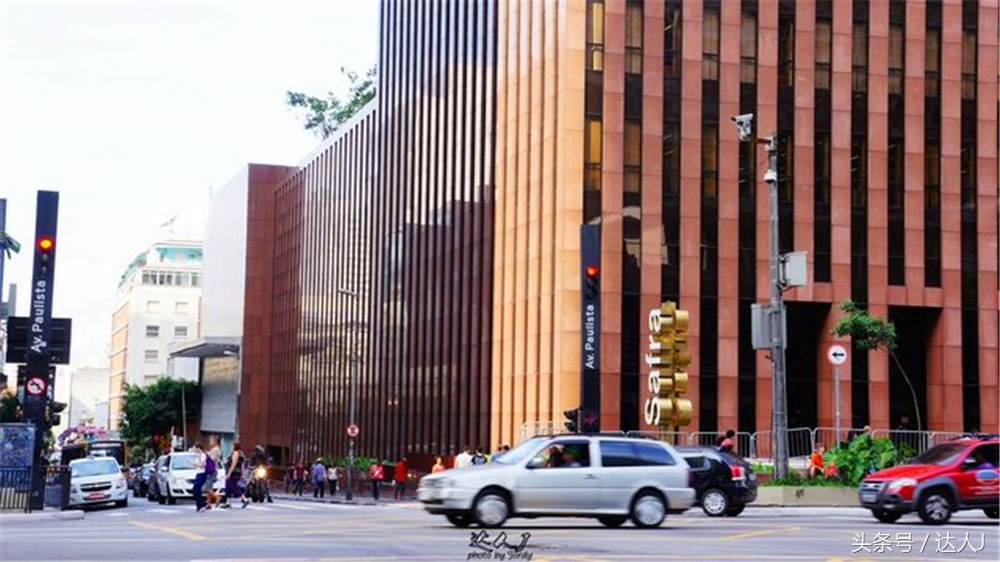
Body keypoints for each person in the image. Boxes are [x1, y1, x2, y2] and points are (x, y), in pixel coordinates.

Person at [223, 442, 246, 509]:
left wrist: (229, 473)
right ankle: (228, 502)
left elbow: (234, 464)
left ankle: (244, 499)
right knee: (228, 487)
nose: (231, 447)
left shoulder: (236, 453)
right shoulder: (241, 454)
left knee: (233, 487)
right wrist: (243, 473)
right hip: (236, 472)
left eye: (232, 446)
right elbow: (242, 465)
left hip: (233, 473)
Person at [205, 436, 223, 508]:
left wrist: (205, 452)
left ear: (215, 442)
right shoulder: (213, 449)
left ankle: (217, 497)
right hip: (211, 470)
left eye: (211, 441)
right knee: (210, 487)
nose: (210, 442)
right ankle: (208, 503)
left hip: (212, 470)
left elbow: (212, 458)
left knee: (207, 487)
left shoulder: (216, 450)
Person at [192, 443, 210, 512]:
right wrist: (195, 464)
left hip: (202, 474)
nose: (194, 450)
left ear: (198, 448)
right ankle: (199, 505)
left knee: (196, 488)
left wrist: (195, 463)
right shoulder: (198, 456)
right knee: (196, 490)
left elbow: (202, 465)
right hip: (198, 473)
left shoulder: (203, 455)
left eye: (195, 448)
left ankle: (203, 503)